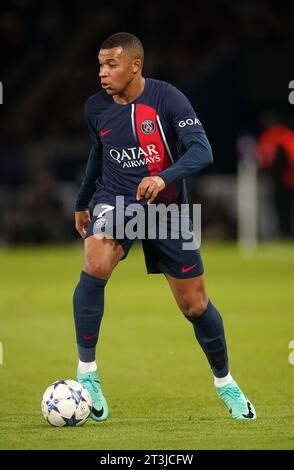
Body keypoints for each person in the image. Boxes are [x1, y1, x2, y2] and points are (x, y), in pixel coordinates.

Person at [73, 32, 256, 421]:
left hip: (166, 210)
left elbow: (203, 150)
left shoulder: (166, 98)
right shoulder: (96, 108)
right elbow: (98, 154)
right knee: (95, 262)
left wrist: (163, 177)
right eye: (100, 66)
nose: (102, 74)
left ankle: (225, 382)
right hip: (116, 201)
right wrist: (82, 201)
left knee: (195, 305)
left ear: (135, 65)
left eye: (111, 65)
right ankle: (87, 373)